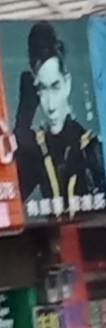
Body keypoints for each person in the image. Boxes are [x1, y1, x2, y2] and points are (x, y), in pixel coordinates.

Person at [13, 22, 104, 217]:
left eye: (55, 87)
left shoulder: (91, 147)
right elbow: (12, 194)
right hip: (53, 233)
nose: (50, 105)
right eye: (42, 89)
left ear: (67, 84)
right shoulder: (38, 148)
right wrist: (24, 117)